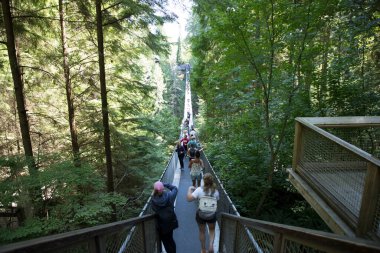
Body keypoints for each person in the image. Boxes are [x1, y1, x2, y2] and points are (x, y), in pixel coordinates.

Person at [187, 173, 220, 253]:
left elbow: (189, 199)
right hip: (212, 215)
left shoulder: (199, 190)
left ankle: (203, 249)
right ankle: (211, 245)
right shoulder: (216, 192)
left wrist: (189, 189)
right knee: (212, 230)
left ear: (204, 181)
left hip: (201, 215)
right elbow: (217, 200)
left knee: (202, 231)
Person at [151, 181, 178, 253]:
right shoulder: (169, 196)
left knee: (166, 242)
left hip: (162, 225)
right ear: (163, 188)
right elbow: (175, 188)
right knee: (170, 239)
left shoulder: (153, 200)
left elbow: (153, 209)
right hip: (171, 222)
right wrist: (165, 184)